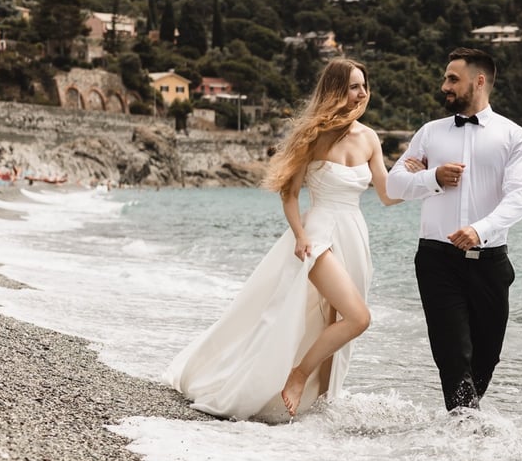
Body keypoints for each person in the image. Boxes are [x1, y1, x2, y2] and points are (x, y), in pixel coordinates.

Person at [165, 58, 405, 422]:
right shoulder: (312, 135)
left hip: (355, 235)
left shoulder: (370, 137)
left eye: (364, 86)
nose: (362, 93)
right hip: (320, 235)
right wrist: (299, 235)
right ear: (336, 90)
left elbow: (387, 195)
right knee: (359, 318)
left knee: (335, 323)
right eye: (354, 86)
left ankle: (323, 408)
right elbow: (289, 194)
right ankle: (297, 376)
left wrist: (424, 178)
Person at [387, 47, 522, 412]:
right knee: (453, 354)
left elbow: (521, 199)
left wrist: (479, 230)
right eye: (445, 79)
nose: (444, 86)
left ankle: (463, 423)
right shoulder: (429, 134)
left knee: (486, 357)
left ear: (479, 80)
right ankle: (466, 433)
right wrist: (432, 178)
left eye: (453, 78)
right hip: (437, 260)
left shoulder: (514, 137)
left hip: (490, 262)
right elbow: (394, 186)